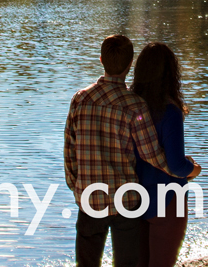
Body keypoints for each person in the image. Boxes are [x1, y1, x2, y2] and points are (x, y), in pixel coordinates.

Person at [65, 34, 173, 267]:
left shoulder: (80, 99)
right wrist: (178, 170)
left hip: (89, 196)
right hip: (126, 199)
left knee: (86, 262)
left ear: (101, 60)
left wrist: (75, 184)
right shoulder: (134, 105)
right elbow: (150, 154)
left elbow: (70, 148)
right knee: (127, 263)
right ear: (130, 64)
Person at [131, 42, 201, 267]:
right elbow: (177, 165)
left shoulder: (130, 106)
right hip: (168, 199)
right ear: (171, 73)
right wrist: (194, 170)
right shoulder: (169, 111)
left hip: (134, 198)